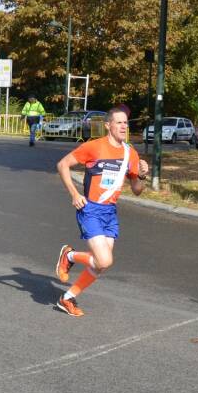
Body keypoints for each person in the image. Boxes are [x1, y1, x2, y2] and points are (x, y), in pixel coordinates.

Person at [54, 106, 149, 317]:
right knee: (105, 260)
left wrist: (142, 176)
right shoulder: (94, 147)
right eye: (119, 122)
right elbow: (62, 165)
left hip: (110, 212)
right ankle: (69, 256)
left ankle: (67, 298)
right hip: (90, 209)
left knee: (100, 265)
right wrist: (74, 194)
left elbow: (137, 191)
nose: (124, 126)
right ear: (108, 125)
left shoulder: (130, 153)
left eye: (126, 122)